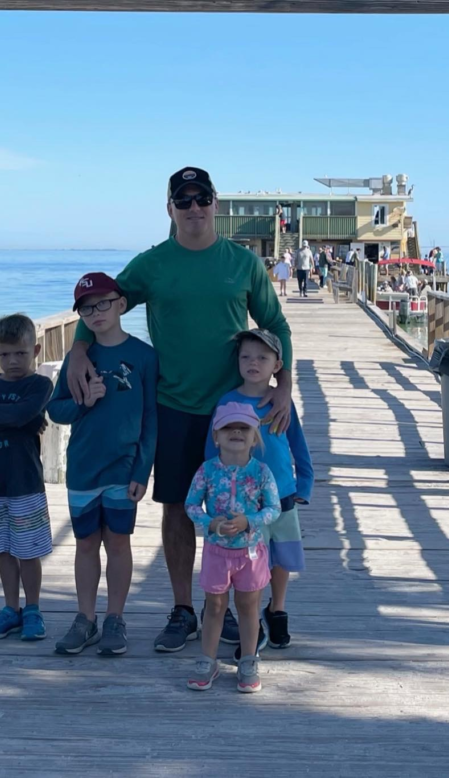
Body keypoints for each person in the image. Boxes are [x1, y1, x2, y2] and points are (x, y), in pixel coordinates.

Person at [63, 168, 293, 654]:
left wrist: (285, 382)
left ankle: (223, 605)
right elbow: (103, 302)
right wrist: (79, 350)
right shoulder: (152, 264)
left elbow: (275, 323)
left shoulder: (242, 263)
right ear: (169, 208)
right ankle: (184, 608)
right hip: (171, 405)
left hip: (233, 409)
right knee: (176, 507)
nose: (193, 208)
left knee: (238, 505)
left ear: (215, 203)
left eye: (201, 198)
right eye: (183, 200)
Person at [47, 273, 158, 656]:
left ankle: (115, 618)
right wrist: (84, 402)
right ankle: (85, 618)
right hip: (83, 468)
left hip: (123, 469)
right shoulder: (77, 359)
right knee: (85, 543)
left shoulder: (145, 357)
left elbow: (150, 419)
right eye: (86, 308)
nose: (96, 313)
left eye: (104, 303)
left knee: (118, 542)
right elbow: (56, 409)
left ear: (121, 304)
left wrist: (142, 470)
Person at [209, 329, 313, 653]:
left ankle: (276, 609)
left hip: (282, 492)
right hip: (244, 501)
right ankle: (251, 625)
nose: (253, 363)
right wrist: (212, 490)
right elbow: (212, 449)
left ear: (277, 365)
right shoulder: (228, 401)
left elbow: (298, 443)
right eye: (246, 357)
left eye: (262, 358)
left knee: (281, 556)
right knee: (252, 561)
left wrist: (304, 482)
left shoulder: (282, 401)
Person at [0, 314, 54, 642]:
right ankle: (10, 608)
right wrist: (20, 420)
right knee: (3, 549)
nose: (12, 360)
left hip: (25, 483)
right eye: (4, 354)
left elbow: (3, 414)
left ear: (35, 350)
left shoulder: (40, 385)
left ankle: (33, 609)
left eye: (20, 353)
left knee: (28, 551)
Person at [185, 402, 280, 694]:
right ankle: (207, 660)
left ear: (254, 437)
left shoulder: (262, 472)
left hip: (250, 552)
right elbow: (191, 505)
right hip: (216, 552)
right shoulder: (206, 471)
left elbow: (274, 509)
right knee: (214, 606)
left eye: (243, 428)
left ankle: (249, 660)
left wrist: (249, 521)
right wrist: (210, 524)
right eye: (228, 427)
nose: (236, 432)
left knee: (248, 606)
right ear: (216, 436)